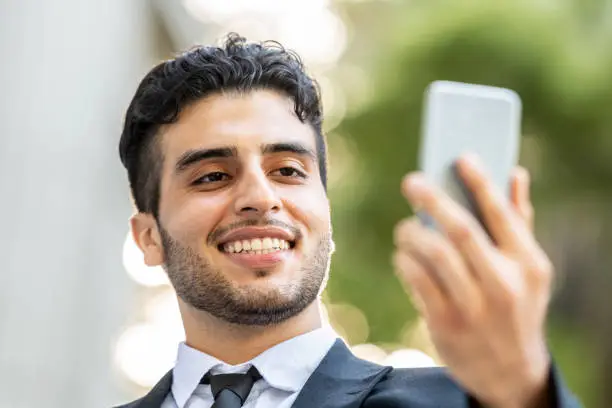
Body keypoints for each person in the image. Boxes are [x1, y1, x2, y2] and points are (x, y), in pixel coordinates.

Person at [114, 33, 581, 408]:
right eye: (213, 175)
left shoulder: (467, 401)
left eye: (289, 171)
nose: (261, 196)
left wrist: (521, 389)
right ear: (149, 238)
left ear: (325, 213)